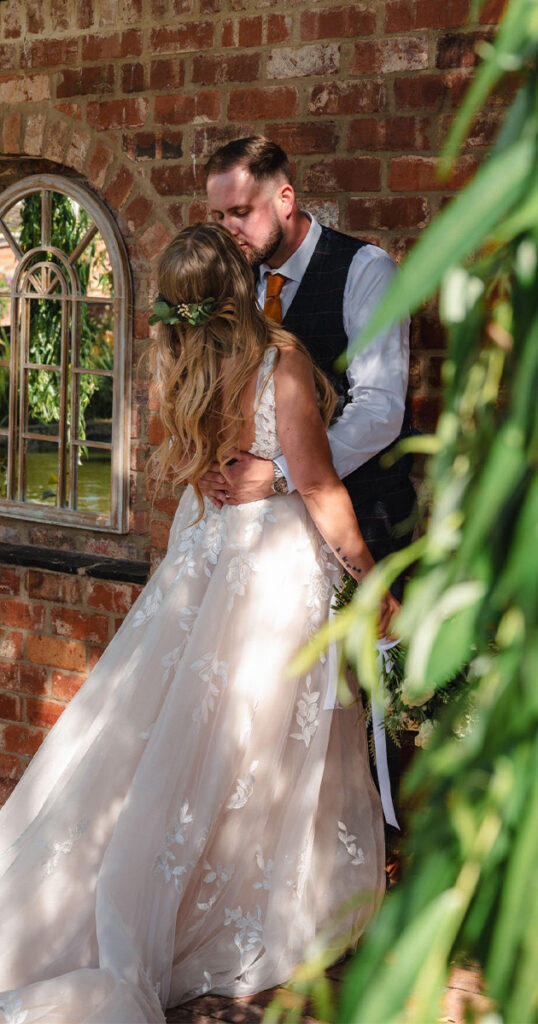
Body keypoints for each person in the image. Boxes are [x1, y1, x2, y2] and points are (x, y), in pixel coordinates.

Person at [0, 223, 393, 1023]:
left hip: (207, 562)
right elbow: (319, 489)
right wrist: (375, 583)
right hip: (271, 573)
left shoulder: (179, 360)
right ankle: (258, 908)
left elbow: (187, 468)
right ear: (239, 283)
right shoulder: (278, 365)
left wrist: (226, 477)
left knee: (192, 744)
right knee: (255, 746)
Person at [203, 136, 416, 591]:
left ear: (285, 199)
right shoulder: (229, 283)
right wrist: (209, 466)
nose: (228, 230)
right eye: (219, 217)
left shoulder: (365, 270)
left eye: (240, 212)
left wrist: (281, 474)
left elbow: (380, 412)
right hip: (255, 549)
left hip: (362, 520)